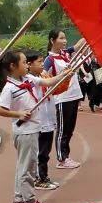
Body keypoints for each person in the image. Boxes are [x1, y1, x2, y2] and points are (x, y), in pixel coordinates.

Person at [0, 49, 53, 203]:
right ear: (13, 66)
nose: (27, 65)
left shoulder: (27, 79)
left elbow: (47, 83)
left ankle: (19, 199)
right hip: (25, 131)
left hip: (32, 129)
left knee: (23, 165)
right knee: (28, 166)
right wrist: (18, 114)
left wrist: (66, 74)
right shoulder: (9, 87)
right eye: (24, 62)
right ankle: (29, 201)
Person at [43, 30, 85, 169]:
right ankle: (61, 159)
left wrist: (90, 35)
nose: (65, 40)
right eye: (61, 38)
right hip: (62, 97)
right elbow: (44, 77)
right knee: (62, 129)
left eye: (65, 38)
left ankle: (66, 156)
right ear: (52, 40)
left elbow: (79, 45)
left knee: (70, 129)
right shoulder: (49, 59)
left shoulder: (65, 54)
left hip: (74, 95)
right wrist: (60, 77)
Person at [26, 50, 62, 191]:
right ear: (29, 64)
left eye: (42, 61)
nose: (42, 64)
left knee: (45, 151)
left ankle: (43, 176)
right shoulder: (29, 79)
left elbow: (55, 87)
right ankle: (38, 178)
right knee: (40, 152)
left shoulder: (43, 75)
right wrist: (61, 76)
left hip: (48, 118)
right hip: (38, 120)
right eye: (39, 62)